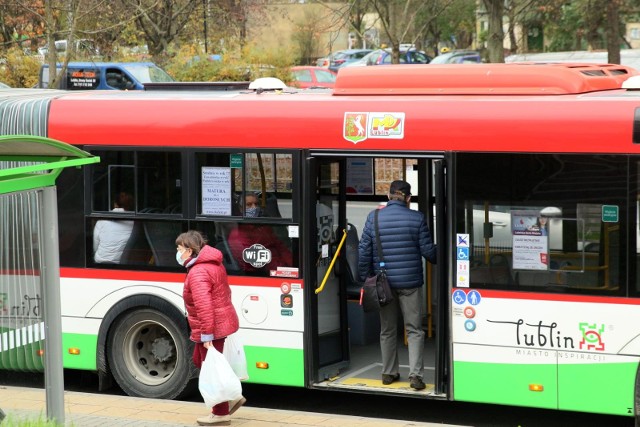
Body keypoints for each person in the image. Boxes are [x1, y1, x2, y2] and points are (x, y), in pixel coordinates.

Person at [357, 180, 436, 391]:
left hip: (383, 284)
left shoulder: (373, 218)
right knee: (414, 330)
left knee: (388, 330)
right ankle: (415, 376)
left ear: (389, 196)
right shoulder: (417, 218)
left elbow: (364, 250)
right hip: (410, 283)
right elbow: (430, 253)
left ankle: (388, 373)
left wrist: (365, 279)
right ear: (408, 198)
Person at [176, 230, 245, 426]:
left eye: (179, 249)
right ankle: (230, 396)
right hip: (218, 323)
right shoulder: (212, 264)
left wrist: (207, 335)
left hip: (211, 327)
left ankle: (220, 413)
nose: (178, 253)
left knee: (210, 367)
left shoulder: (198, 272)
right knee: (200, 361)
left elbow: (204, 305)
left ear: (189, 251)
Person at [227, 193, 292, 275]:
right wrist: (284, 270)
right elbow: (257, 262)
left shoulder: (263, 226)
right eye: (249, 205)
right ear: (240, 209)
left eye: (256, 204)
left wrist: (292, 264)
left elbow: (280, 246)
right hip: (264, 273)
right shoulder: (238, 233)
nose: (254, 208)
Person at [93, 192, 134, 263]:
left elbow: (95, 246)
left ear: (115, 204)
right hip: (122, 263)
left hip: (100, 261)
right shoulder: (134, 221)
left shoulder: (102, 220)